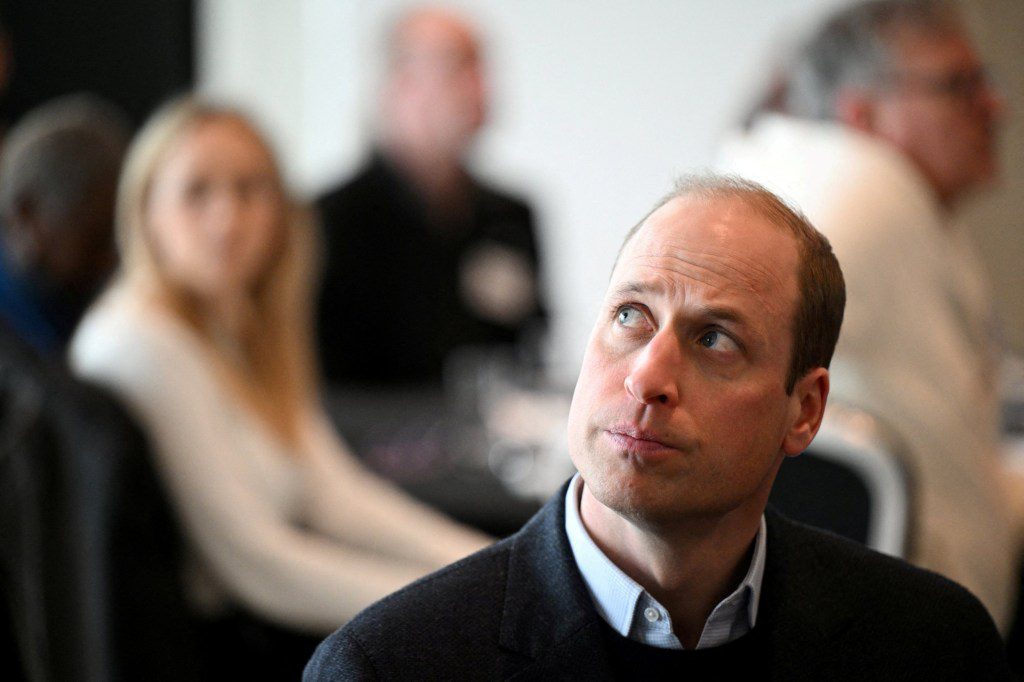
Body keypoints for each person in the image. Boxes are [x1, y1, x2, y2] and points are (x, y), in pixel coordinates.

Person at [305, 175, 1011, 679]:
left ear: (805, 410)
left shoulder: (932, 646)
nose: (647, 376)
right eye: (629, 317)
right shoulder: (388, 666)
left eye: (715, 340)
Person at [70, 97, 490, 677]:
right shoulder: (142, 341)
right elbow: (258, 565)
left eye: (250, 189)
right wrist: (462, 602)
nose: (227, 218)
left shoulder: (236, 326)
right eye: (197, 192)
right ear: (146, 213)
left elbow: (331, 493)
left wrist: (489, 565)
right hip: (215, 651)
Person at [715, 0, 1018, 629]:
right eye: (958, 85)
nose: (996, 107)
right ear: (861, 113)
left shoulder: (789, 166)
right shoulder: (861, 187)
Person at [0, 96, 199, 680]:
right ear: (26, 216)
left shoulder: (90, 320)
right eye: (95, 232)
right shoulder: (20, 389)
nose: (117, 255)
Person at [315, 6, 545, 389]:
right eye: (457, 68)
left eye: (481, 68)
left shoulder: (510, 216)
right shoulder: (328, 222)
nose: (480, 89)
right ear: (399, 84)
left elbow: (531, 349)